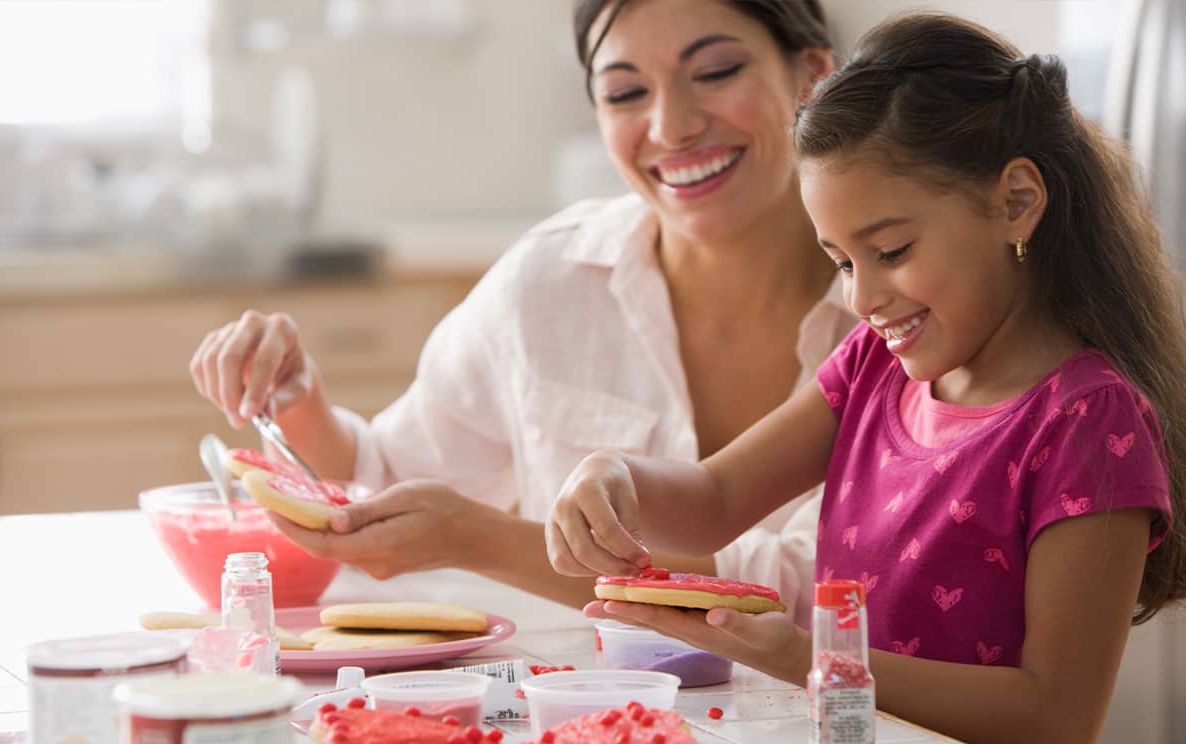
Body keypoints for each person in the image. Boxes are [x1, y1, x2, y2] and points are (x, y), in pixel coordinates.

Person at [545, 12, 1186, 744]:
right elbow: (715, 497)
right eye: (843, 262)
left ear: (1016, 201)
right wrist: (614, 476)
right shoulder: (875, 368)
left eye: (891, 252)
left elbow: (1053, 726)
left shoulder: (1086, 423)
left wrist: (803, 655)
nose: (863, 297)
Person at [188, 0, 854, 616]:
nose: (671, 126)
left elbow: (802, 589)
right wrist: (299, 406)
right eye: (625, 92)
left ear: (812, 76)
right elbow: (385, 489)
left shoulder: (895, 316)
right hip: (583, 719)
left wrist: (481, 541)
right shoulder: (548, 283)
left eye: (715, 72)